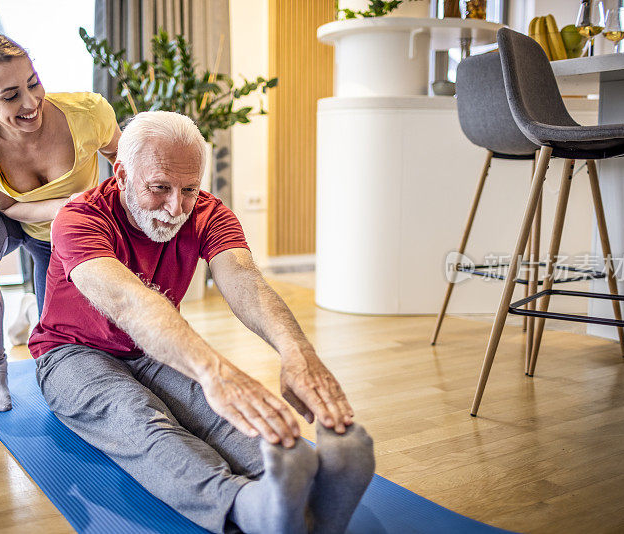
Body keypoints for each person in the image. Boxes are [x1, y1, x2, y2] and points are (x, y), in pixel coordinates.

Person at [28, 111, 375, 533]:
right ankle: (247, 508)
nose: (176, 207)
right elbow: (130, 303)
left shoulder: (207, 212)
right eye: (159, 188)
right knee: (141, 419)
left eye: (189, 189)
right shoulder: (78, 218)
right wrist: (216, 371)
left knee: (212, 409)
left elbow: (245, 282)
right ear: (121, 174)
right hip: (71, 353)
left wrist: (296, 353)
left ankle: (300, 482)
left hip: (153, 347)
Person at [0, 31, 122, 412]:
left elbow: (125, 165)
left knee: (58, 343)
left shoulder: (89, 113)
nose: (31, 103)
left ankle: (31, 310)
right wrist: (68, 204)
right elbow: (7, 206)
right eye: (11, 96)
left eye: (34, 84)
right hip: (11, 214)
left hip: (61, 236)